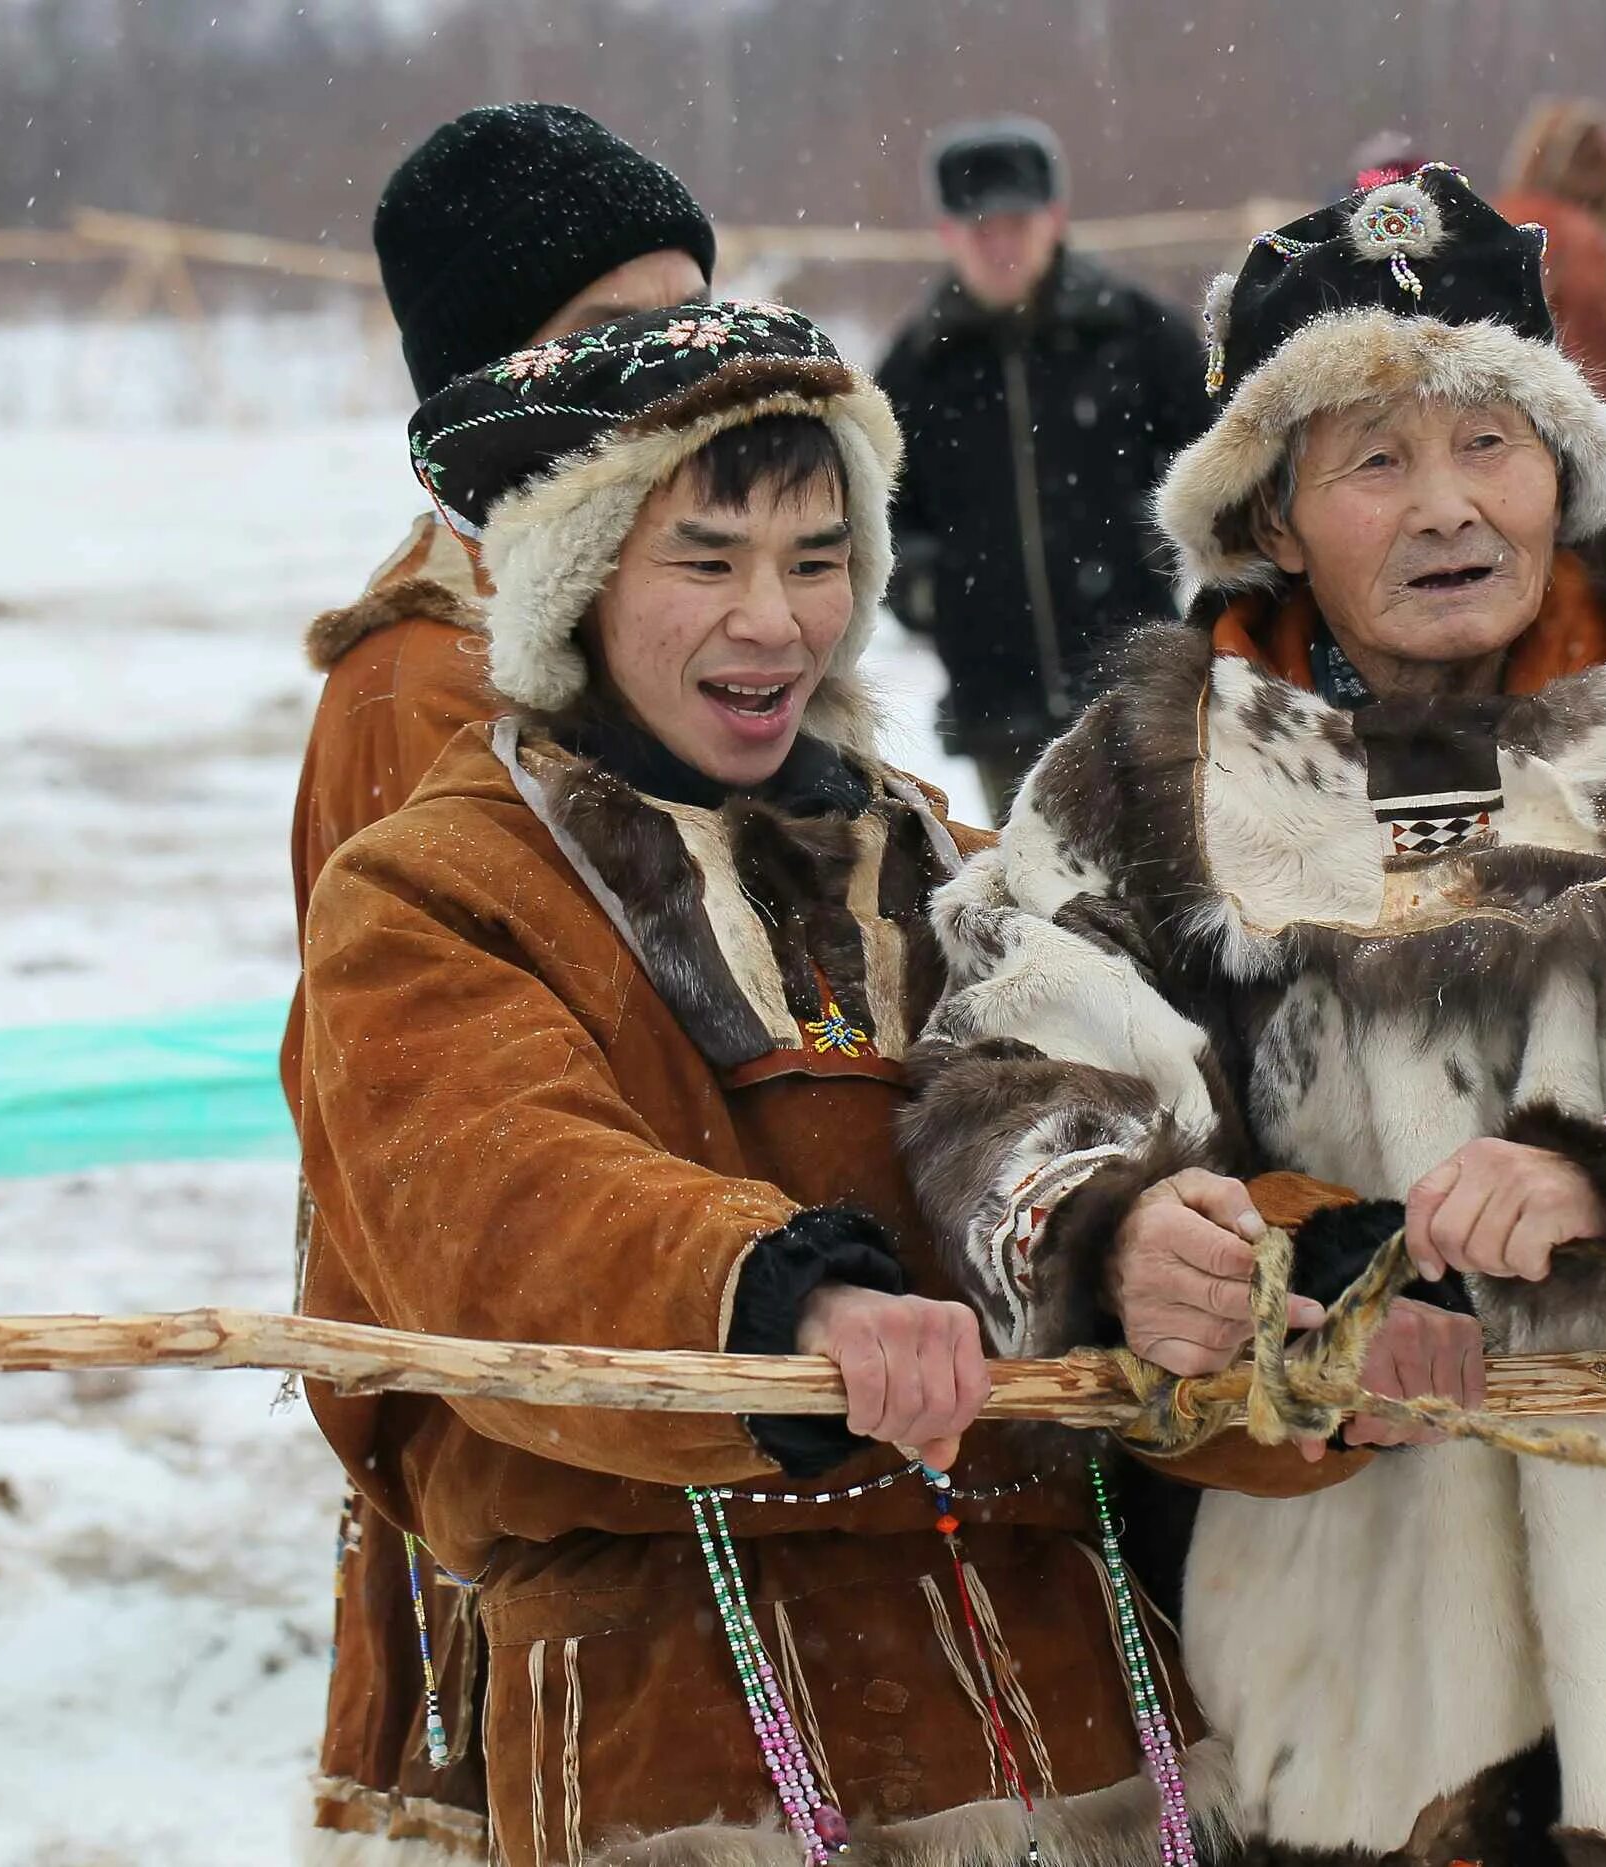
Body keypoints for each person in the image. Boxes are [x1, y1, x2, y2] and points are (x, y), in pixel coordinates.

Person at [906, 166, 1606, 1867]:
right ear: (1274, 516)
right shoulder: (1137, 795)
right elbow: (1006, 1062)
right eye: (1374, 460)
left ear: (1561, 468)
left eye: (1489, 443)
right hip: (1321, 1653)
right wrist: (1123, 1232)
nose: (1447, 507)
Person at [297, 303, 1227, 1863]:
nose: (777, 619)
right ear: (582, 581)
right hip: (678, 1719)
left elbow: (1166, 1122)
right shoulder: (434, 887)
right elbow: (494, 1187)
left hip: (1074, 1700)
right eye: (708, 559)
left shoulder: (964, 873)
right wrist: (781, 1298)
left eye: (816, 557)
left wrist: (1224, 1265)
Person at [289, 100, 719, 1860]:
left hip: (702, 1308)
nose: (669, 375)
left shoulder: (688, 600)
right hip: (545, 1361)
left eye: (690, 320)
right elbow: (436, 1099)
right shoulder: (421, 685)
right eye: (606, 340)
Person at [877, 116, 1213, 815]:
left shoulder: (1140, 336)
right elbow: (877, 512)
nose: (999, 244)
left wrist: (1165, 553)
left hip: (1137, 679)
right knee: (1033, 893)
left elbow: (1216, 465)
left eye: (1016, 222)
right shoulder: (916, 370)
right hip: (995, 697)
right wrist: (927, 590)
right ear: (947, 233)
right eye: (979, 227)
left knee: (1163, 880)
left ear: (1054, 218)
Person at [1494, 98, 1606, 406]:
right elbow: (1591, 348)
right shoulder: (1582, 238)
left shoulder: (1496, 220)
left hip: (1501, 412)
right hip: (1565, 412)